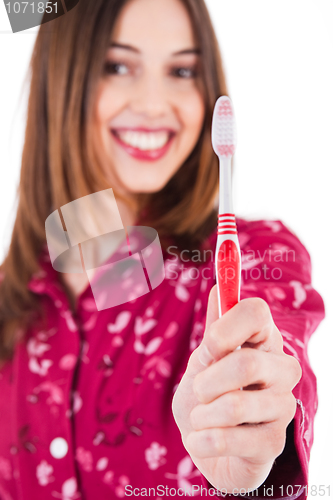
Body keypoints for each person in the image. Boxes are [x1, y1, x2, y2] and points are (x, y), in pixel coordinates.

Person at [0, 0, 325, 498]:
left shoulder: (253, 254)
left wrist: (259, 431)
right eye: (118, 65)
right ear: (60, 79)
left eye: (182, 69)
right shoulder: (12, 295)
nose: (155, 104)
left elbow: (277, 337)